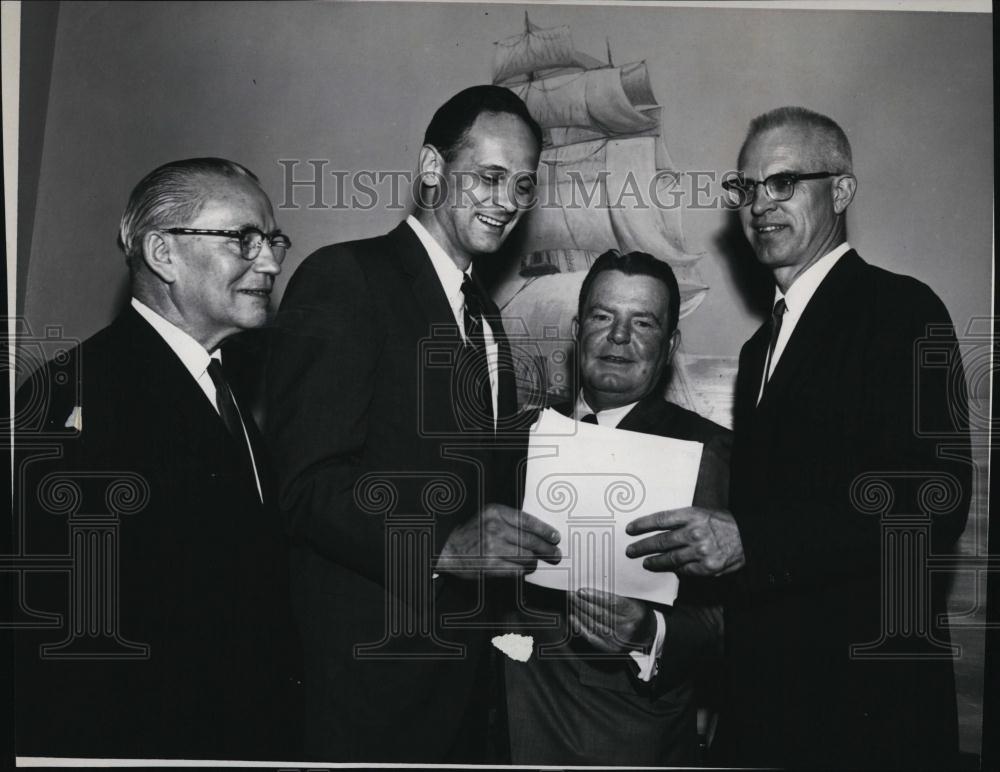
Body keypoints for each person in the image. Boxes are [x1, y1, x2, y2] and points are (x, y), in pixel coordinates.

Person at [627, 107, 971, 769]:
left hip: (865, 707)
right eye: (747, 189)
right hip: (767, 705)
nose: (760, 205)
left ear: (840, 192)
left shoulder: (901, 309)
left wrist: (750, 538)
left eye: (783, 183)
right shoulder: (761, 348)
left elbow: (936, 500)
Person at [265, 85, 560, 763]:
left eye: (522, 184)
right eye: (487, 177)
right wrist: (442, 547)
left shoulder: (485, 317)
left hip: (462, 684)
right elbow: (306, 487)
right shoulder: (346, 278)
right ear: (431, 167)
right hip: (365, 684)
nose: (508, 202)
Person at [15, 157, 301, 759]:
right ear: (162, 253)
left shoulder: (222, 391)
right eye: (242, 239)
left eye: (272, 240)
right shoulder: (79, 395)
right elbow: (70, 643)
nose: (271, 261)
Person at [503, 250, 730, 766]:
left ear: (670, 345)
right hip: (495, 732)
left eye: (642, 322)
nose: (619, 336)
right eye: (604, 317)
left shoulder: (710, 452)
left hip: (623, 741)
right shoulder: (512, 438)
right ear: (578, 329)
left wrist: (651, 633)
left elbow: (732, 618)